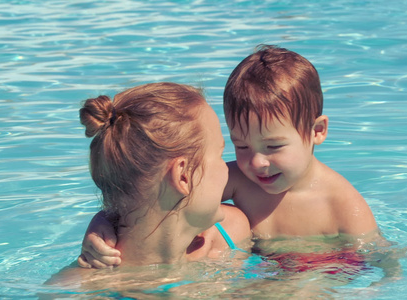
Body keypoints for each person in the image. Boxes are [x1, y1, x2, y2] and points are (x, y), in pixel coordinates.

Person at [78, 46, 386, 269]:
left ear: (317, 131)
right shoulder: (238, 179)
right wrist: (101, 225)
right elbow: (149, 199)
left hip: (321, 268)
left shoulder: (342, 203)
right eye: (240, 146)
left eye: (274, 147)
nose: (256, 163)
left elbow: (378, 256)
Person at [51, 82, 251, 277]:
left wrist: (103, 218)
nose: (227, 167)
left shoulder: (231, 232)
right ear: (183, 175)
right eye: (219, 155)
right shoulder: (78, 290)